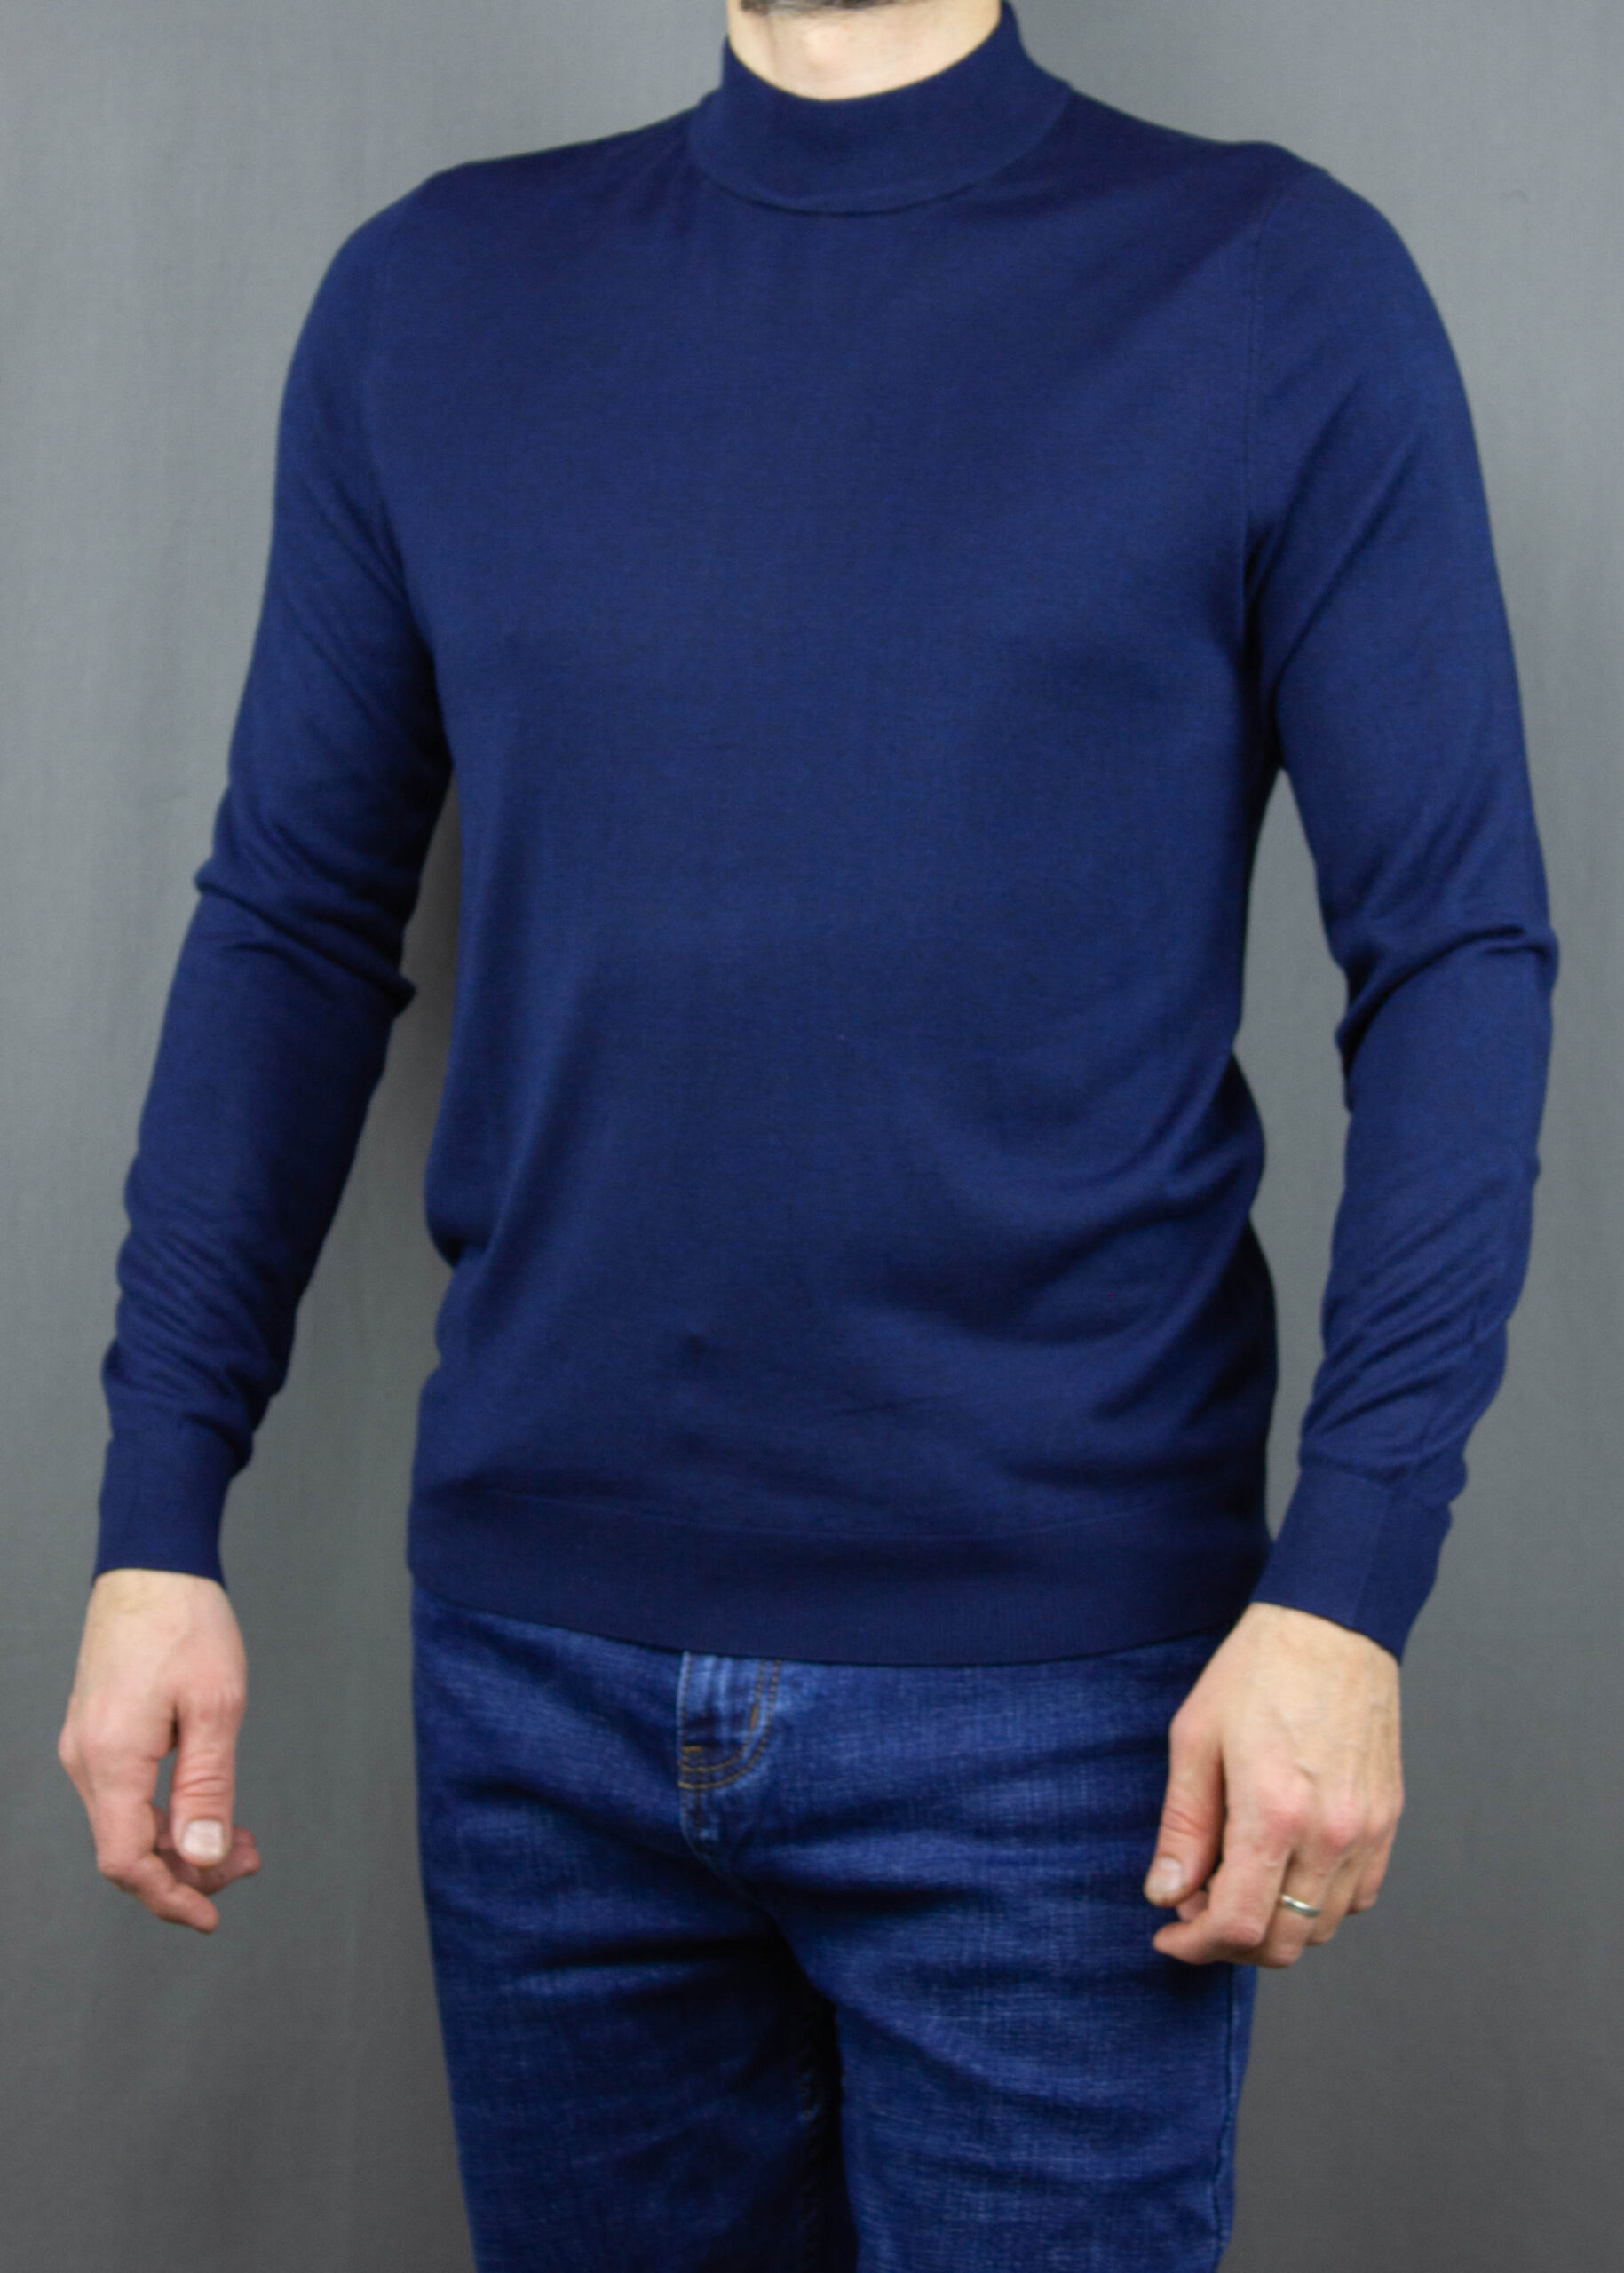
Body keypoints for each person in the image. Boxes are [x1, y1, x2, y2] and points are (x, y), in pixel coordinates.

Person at [58, 0, 1557, 2263]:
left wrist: (1350, 1584)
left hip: (1074, 1710)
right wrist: (157, 1518)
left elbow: (1455, 952)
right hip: (540, 1684)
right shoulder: (434, 298)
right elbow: (290, 929)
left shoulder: (1268, 287)